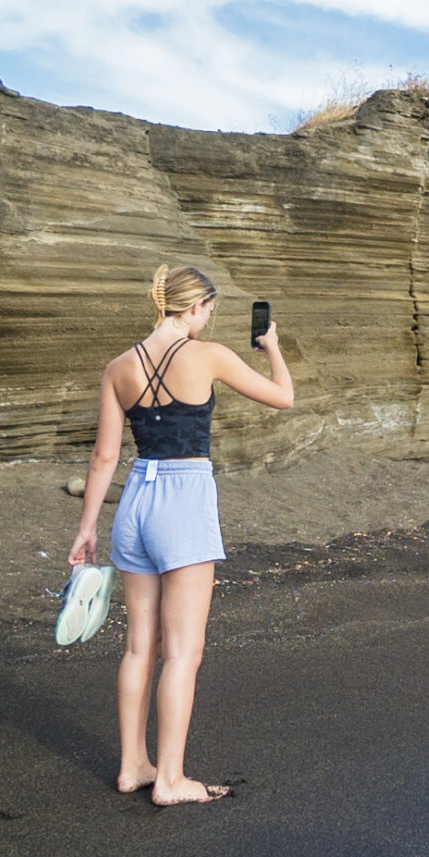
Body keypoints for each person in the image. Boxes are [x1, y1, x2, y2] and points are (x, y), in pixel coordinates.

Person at [67, 265, 292, 805]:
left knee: (141, 646)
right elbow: (284, 397)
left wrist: (85, 529)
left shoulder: (118, 368)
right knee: (184, 653)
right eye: (209, 311)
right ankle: (169, 778)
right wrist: (272, 347)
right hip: (184, 498)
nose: (208, 320)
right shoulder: (206, 355)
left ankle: (132, 766)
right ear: (194, 308)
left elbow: (103, 457)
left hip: (136, 499)